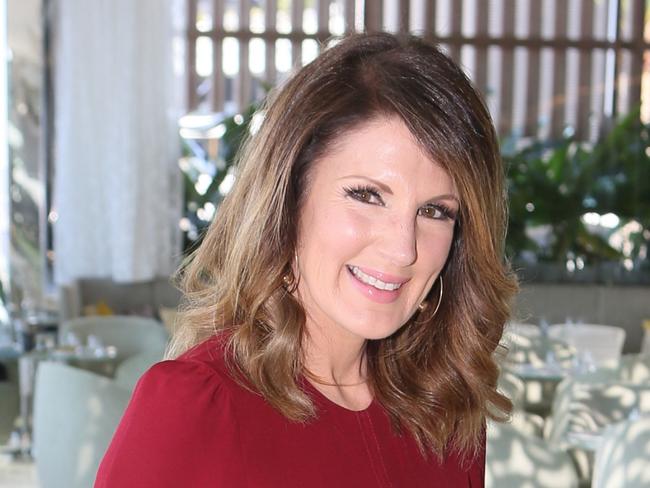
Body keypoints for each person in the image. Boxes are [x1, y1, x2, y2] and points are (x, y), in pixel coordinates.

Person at [95, 32, 517, 487]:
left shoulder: (443, 411)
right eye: (368, 195)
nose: (403, 248)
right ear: (290, 197)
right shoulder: (194, 406)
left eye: (435, 211)